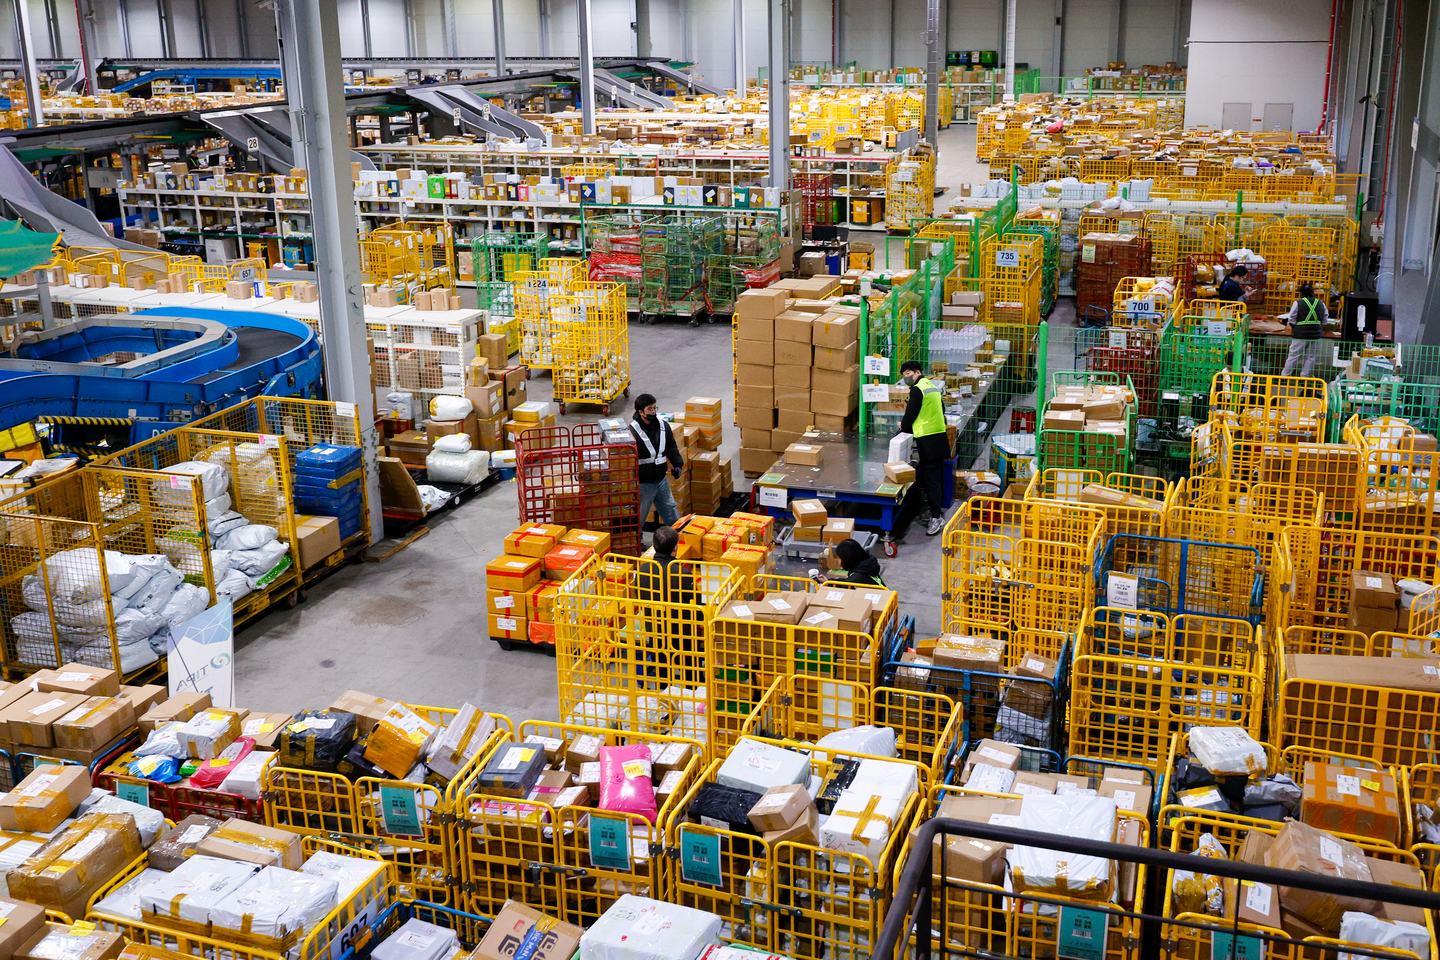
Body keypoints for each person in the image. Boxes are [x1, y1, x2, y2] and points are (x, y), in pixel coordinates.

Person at [897, 360, 950, 537]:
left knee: (931, 478)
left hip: (929, 441)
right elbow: (938, 410)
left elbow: (911, 414)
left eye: (908, 374)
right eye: (904, 375)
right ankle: (935, 511)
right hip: (939, 437)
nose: (906, 378)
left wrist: (903, 425)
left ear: (917, 372)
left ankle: (936, 517)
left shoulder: (918, 390)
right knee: (935, 476)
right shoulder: (932, 387)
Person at [630, 393, 684, 537]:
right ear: (640, 412)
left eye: (655, 408)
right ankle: (637, 543)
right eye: (650, 409)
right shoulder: (632, 431)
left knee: (671, 511)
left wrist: (678, 464)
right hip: (644, 484)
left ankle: (679, 540)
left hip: (661, 480)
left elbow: (671, 447)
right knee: (639, 517)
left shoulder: (663, 426)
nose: (653, 411)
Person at [1280, 282, 1329, 377]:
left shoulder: (1297, 303)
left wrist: (1294, 324)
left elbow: (1292, 318)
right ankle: (1305, 376)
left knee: (1294, 355)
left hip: (1300, 334)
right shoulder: (1321, 303)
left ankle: (1285, 376)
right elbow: (1325, 319)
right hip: (1316, 334)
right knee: (1311, 356)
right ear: (1313, 292)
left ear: (1301, 293)